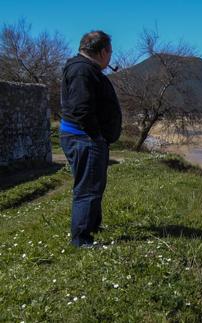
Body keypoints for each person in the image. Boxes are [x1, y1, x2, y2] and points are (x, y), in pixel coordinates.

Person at [59, 30, 122, 247]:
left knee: (94, 183)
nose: (111, 57)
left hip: (85, 137)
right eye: (111, 52)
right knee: (88, 188)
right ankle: (81, 238)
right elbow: (81, 109)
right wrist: (97, 136)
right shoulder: (81, 71)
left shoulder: (85, 69)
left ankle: (92, 224)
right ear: (103, 51)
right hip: (84, 138)